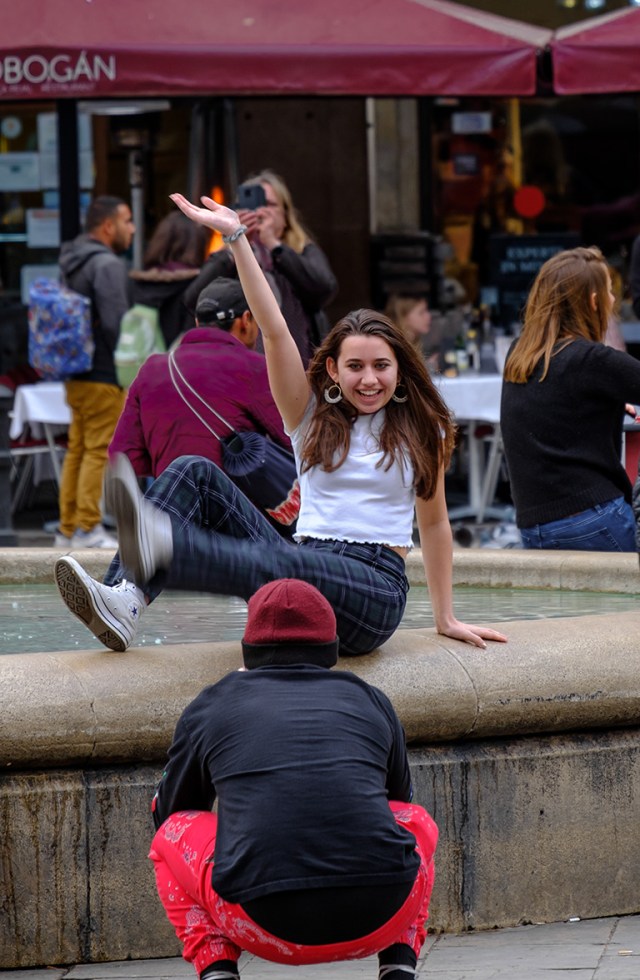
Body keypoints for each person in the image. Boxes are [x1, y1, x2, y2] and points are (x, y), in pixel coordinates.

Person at [53, 191, 507, 655]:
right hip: (302, 561)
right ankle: (126, 599)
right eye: (355, 367)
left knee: (281, 562)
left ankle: (164, 549)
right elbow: (273, 329)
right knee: (195, 471)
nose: (369, 379)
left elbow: (434, 526)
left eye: (381, 366)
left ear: (399, 368)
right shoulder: (309, 416)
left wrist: (445, 617)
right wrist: (236, 237)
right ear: (333, 369)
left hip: (373, 591)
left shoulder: (420, 429)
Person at [149, 577, 439, 980]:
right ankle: (398, 967)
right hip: (384, 915)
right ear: (332, 647)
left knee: (170, 837)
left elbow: (169, 812)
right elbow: (399, 801)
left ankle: (217, 972)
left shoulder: (214, 703)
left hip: (262, 925)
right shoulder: (371, 699)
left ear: (248, 649)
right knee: (417, 820)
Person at [501, 246, 640, 551]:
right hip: (594, 520)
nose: (614, 301)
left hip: (533, 527)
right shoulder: (592, 360)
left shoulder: (520, 354)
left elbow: (559, 404)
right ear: (593, 302)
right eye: (609, 292)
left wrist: (615, 402)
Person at [109, 277, 290, 480]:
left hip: (171, 503)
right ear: (246, 320)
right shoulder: (255, 367)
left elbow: (125, 458)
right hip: (237, 507)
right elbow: (295, 440)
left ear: (197, 322)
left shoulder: (151, 370)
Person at [184, 170, 337, 366]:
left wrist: (275, 245)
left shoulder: (302, 250)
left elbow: (324, 290)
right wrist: (236, 244)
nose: (260, 212)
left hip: (301, 365)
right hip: (242, 369)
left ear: (286, 214)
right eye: (254, 205)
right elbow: (193, 301)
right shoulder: (228, 255)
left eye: (270, 205)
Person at [55, 196, 135, 550]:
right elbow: (117, 324)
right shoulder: (107, 264)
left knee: (77, 448)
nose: (131, 228)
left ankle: (68, 527)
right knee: (96, 449)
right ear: (107, 226)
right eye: (127, 221)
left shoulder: (71, 261)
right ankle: (88, 527)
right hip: (102, 371)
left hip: (74, 371)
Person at [129, 211, 208, 347]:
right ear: (197, 244)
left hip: (143, 364)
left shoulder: (140, 282)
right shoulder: (197, 285)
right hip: (179, 363)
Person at [384, 293, 439, 372]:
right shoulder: (395, 345)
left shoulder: (413, 341)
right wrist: (430, 366)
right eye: (421, 312)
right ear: (404, 316)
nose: (428, 316)